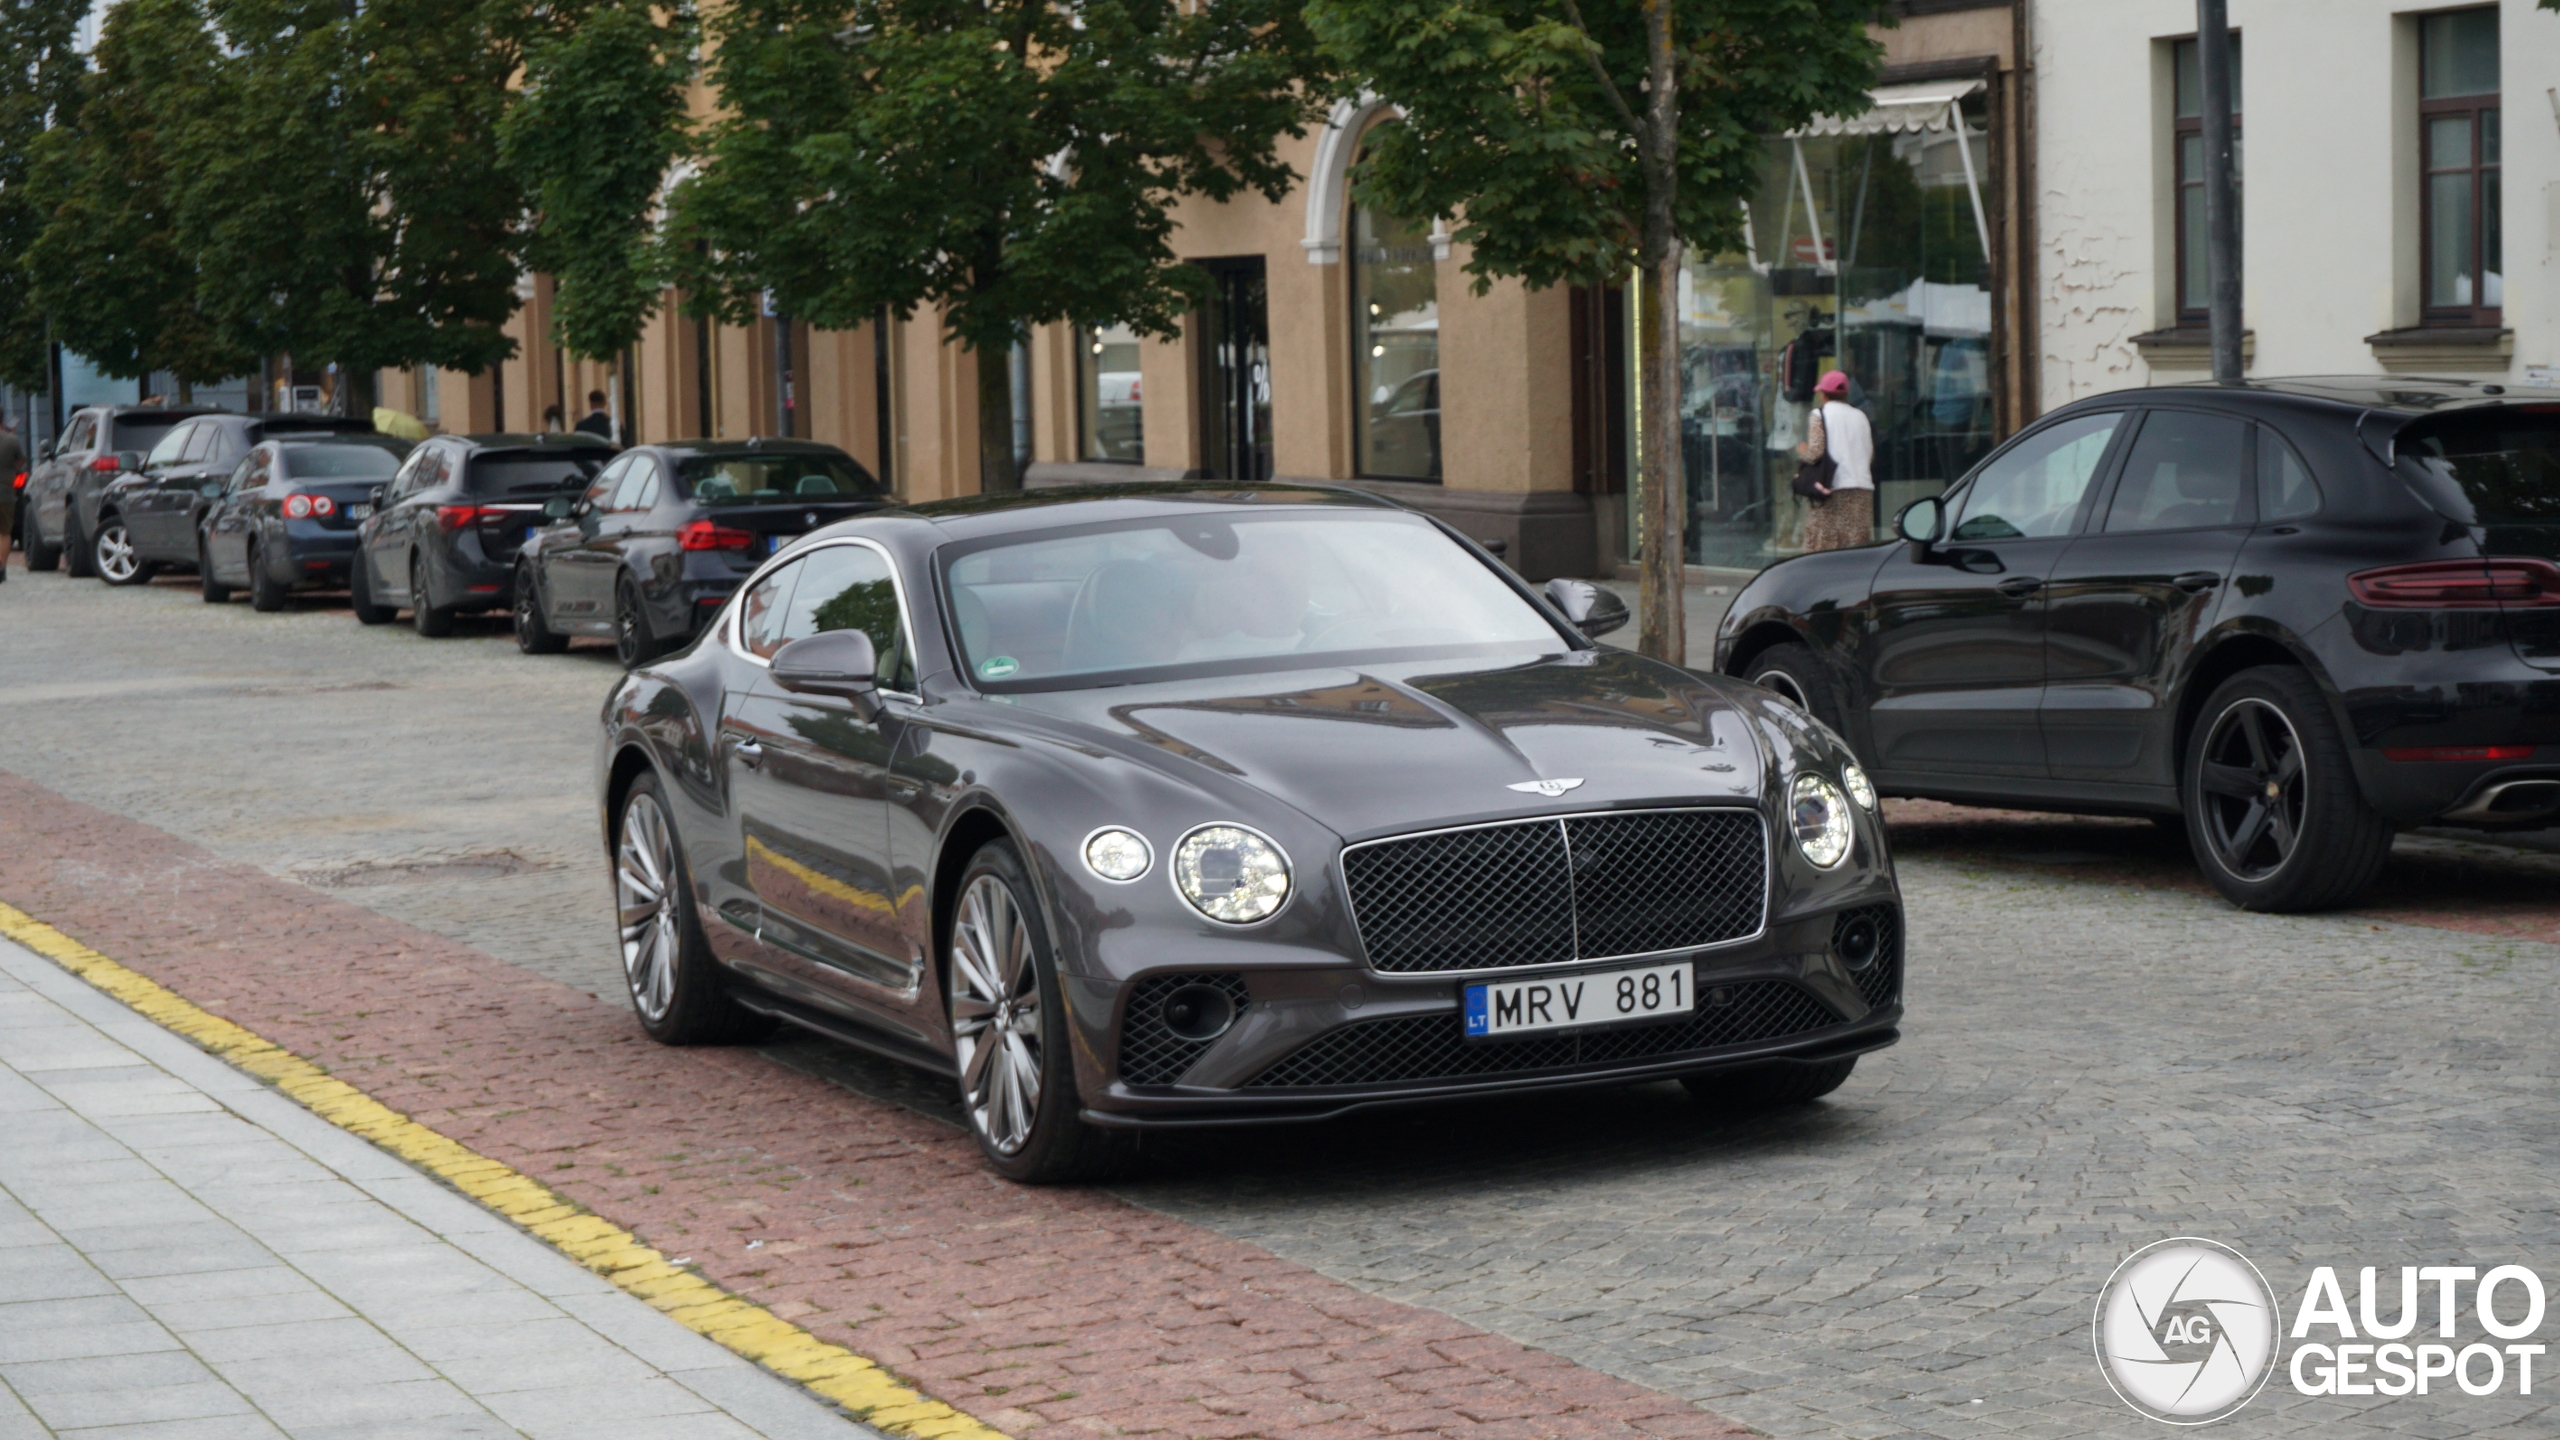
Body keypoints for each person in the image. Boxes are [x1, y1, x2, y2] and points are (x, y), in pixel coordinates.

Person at [1795, 369, 1875, 552]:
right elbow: (1869, 454)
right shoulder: (1861, 416)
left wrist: (1801, 451)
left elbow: (1815, 452)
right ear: (1845, 393)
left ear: (1823, 394)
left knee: (1824, 547)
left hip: (1831, 489)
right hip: (1862, 489)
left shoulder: (1819, 415)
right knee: (1855, 544)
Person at [0, 414, 21, 581]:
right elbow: (21, 461)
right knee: (5, 532)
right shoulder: (12, 440)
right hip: (6, 492)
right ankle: (2, 568)